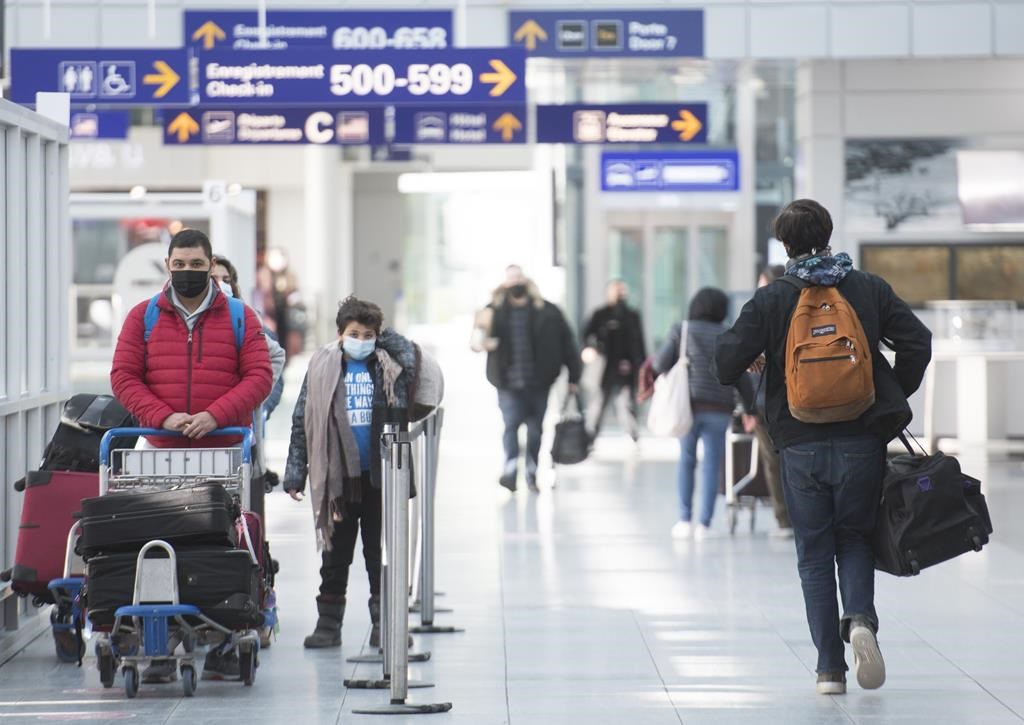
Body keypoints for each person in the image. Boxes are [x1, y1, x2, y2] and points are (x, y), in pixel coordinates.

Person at [713, 199, 932, 695]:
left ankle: (828, 670)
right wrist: (888, 392)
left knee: (813, 553)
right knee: (853, 538)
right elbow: (918, 341)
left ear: (784, 244)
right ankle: (860, 622)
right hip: (861, 438)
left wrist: (759, 358)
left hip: (798, 443)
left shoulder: (772, 300)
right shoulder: (866, 288)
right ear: (829, 233)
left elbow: (724, 361)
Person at [110, 228, 272, 682]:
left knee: (220, 543)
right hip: (159, 451)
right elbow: (124, 377)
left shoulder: (240, 317)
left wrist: (212, 416)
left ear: (209, 264)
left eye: (196, 266)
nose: (186, 273)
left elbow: (259, 377)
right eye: (178, 266)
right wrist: (163, 418)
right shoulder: (143, 317)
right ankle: (162, 641)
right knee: (158, 543)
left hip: (222, 452)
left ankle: (222, 635)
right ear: (168, 266)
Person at [283, 296, 420, 650]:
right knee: (335, 557)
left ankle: (385, 625)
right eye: (354, 332)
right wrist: (296, 472)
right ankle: (328, 625)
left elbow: (412, 363)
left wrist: (388, 339)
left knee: (381, 556)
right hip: (338, 480)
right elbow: (303, 418)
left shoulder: (389, 365)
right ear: (340, 334)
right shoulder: (322, 367)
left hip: (381, 477)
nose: (362, 339)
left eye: (370, 333)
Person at [653, 288, 754, 541]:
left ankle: (684, 520)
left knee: (687, 460)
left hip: (689, 406)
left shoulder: (683, 330)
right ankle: (704, 525)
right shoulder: (728, 333)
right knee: (712, 465)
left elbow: (660, 363)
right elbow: (741, 375)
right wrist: (750, 409)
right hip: (719, 408)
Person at [476, 265, 582, 493]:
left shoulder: (548, 311)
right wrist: (483, 342)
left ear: (527, 281)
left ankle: (532, 473)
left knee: (536, 430)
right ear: (504, 284)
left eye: (519, 278)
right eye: (511, 279)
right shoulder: (493, 311)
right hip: (507, 383)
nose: (516, 283)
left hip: (539, 382)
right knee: (511, 426)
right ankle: (510, 470)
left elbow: (568, 343)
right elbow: (477, 339)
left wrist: (574, 375)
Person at [741, 264, 793, 539]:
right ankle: (796, 518)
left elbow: (739, 362)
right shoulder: (798, 309)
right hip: (796, 398)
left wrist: (748, 409)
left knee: (774, 462)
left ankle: (785, 520)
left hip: (765, 402)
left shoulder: (758, 313)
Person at [580, 280, 646, 443]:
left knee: (626, 404)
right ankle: (590, 437)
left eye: (622, 290)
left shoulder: (632, 316)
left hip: (625, 369)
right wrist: (592, 348)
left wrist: (639, 366)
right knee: (599, 403)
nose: (620, 294)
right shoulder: (600, 314)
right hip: (604, 368)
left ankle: (633, 436)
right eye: (616, 290)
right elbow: (586, 335)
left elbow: (638, 343)